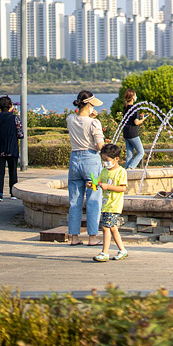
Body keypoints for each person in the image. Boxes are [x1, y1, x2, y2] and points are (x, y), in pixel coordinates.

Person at [66, 90, 106, 246]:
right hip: (91, 162)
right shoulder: (94, 123)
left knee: (74, 201)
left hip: (74, 161)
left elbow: (80, 121)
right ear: (89, 104)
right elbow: (99, 145)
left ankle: (74, 237)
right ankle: (92, 237)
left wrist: (89, 116)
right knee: (94, 199)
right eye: (93, 105)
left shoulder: (70, 119)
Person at [93, 143, 129, 262]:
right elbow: (98, 182)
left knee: (105, 227)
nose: (105, 163)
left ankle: (105, 252)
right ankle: (122, 250)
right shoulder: (104, 171)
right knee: (113, 228)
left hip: (114, 205)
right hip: (106, 204)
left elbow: (123, 188)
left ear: (116, 159)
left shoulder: (121, 172)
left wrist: (108, 186)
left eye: (107, 160)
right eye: (103, 160)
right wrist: (92, 184)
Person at [0, 95, 24, 201]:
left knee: (0, 172)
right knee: (13, 171)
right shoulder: (15, 118)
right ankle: (13, 193)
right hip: (11, 148)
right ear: (10, 105)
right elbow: (20, 134)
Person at [121, 89, 147, 169]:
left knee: (130, 154)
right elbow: (136, 122)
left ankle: (127, 171)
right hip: (133, 134)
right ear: (132, 97)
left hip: (126, 133)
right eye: (135, 95)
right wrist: (142, 120)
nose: (136, 97)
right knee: (141, 152)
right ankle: (131, 167)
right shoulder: (134, 108)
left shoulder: (125, 108)